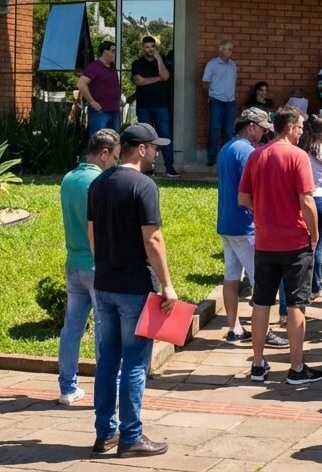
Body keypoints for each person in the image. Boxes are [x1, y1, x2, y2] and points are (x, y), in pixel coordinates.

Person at [88, 123, 178, 458]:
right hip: (134, 286)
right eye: (154, 147)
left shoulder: (98, 184)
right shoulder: (144, 185)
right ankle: (131, 436)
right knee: (135, 363)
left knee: (107, 359)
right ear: (141, 149)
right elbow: (152, 239)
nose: (156, 152)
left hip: (105, 283)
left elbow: (92, 234)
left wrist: (105, 266)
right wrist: (167, 285)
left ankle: (104, 433)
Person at [239, 107, 322, 385]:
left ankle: (258, 363)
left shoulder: (256, 155)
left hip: (265, 241)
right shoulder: (298, 156)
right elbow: (307, 200)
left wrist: (264, 211)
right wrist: (314, 233)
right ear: (288, 127)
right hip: (295, 241)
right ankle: (297, 367)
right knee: (297, 304)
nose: (301, 132)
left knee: (261, 301)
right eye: (299, 128)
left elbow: (243, 198)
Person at [215, 108, 289, 347]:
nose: (264, 134)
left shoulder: (226, 148)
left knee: (231, 276)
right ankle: (264, 332)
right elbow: (255, 188)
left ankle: (234, 328)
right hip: (246, 224)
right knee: (262, 280)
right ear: (250, 126)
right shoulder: (247, 151)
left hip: (226, 222)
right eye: (262, 129)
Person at [56, 129, 119, 405]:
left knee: (72, 328)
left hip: (73, 262)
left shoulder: (68, 178)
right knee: (105, 330)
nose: (115, 163)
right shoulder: (100, 181)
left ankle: (67, 388)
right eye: (115, 157)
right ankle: (107, 390)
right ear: (104, 153)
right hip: (97, 264)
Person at [298, 114, 322, 298]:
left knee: (301, 246)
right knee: (318, 245)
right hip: (321, 198)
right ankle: (315, 287)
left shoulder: (300, 150)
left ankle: (302, 285)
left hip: (302, 199)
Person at [130, 36, 178, 178]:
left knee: (165, 136)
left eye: (152, 46)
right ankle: (146, 168)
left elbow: (165, 76)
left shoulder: (162, 60)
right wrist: (158, 79)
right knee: (145, 138)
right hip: (144, 106)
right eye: (147, 47)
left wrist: (159, 60)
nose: (150, 49)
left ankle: (169, 168)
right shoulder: (137, 63)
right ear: (142, 48)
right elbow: (139, 81)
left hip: (161, 105)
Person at [202, 40, 238, 167]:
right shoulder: (212, 64)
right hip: (216, 100)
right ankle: (212, 156)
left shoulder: (233, 65)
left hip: (230, 101)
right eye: (228, 49)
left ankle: (226, 156)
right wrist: (214, 92)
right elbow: (205, 82)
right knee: (214, 128)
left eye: (231, 50)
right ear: (221, 50)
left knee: (229, 130)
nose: (230, 52)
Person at [78, 41, 122, 135]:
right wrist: (91, 101)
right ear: (104, 52)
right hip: (100, 111)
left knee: (114, 141)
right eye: (112, 51)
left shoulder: (112, 67)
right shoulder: (94, 67)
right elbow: (81, 84)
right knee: (98, 141)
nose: (114, 54)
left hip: (114, 110)